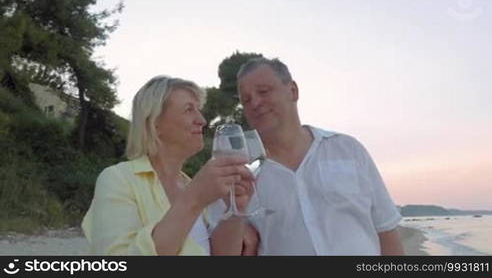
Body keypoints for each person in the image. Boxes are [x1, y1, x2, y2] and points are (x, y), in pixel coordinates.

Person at [235, 57, 404, 255]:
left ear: (293, 91)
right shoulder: (237, 170)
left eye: (263, 92)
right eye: (246, 99)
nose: (255, 102)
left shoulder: (347, 150)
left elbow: (386, 230)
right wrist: (238, 228)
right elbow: (216, 236)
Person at [82, 75, 257, 255]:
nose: (202, 120)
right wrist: (194, 199)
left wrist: (236, 210)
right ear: (155, 123)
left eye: (198, 109)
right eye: (189, 109)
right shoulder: (118, 179)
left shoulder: (193, 186)